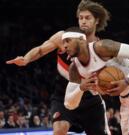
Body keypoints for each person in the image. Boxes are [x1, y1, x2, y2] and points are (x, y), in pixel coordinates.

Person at [6, 0, 111, 135]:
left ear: (97, 21)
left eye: (87, 18)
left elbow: (106, 78)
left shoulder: (102, 47)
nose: (83, 21)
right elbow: (41, 50)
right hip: (63, 96)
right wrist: (26, 59)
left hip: (90, 99)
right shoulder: (64, 37)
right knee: (60, 130)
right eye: (81, 18)